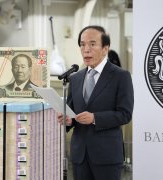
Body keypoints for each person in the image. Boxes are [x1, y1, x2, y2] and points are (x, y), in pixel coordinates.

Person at [58, 25, 134, 180]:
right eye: (82, 44)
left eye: (92, 44)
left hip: (107, 156)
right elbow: (72, 112)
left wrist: (95, 118)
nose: (86, 49)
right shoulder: (75, 78)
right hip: (80, 156)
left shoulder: (120, 76)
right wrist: (68, 120)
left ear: (105, 48)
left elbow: (125, 114)